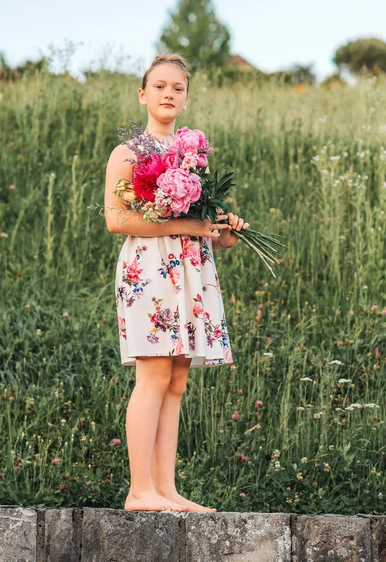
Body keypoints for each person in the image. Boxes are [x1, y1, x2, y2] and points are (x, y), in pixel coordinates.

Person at [104, 53, 249, 513]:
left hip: (191, 269)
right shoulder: (128, 153)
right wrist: (183, 227)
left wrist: (224, 232)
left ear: (186, 100)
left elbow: (202, 227)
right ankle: (138, 489)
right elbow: (116, 219)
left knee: (177, 379)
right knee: (153, 375)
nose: (169, 94)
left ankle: (165, 490)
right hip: (149, 269)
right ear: (143, 94)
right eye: (160, 86)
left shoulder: (194, 158)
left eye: (178, 88)